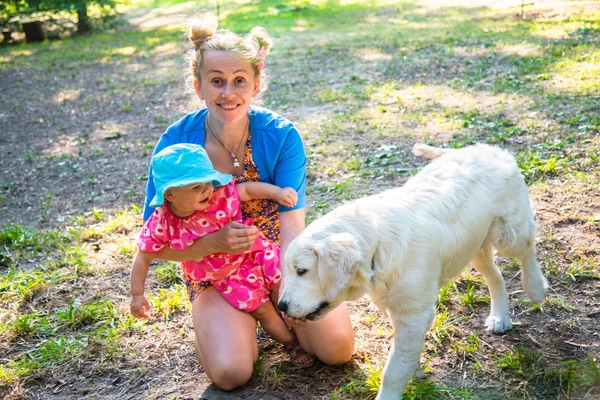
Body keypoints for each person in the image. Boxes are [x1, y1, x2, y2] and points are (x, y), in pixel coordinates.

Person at [139, 15, 355, 391]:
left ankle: (270, 311)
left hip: (274, 255)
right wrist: (211, 244)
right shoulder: (176, 145)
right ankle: (229, 325)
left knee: (337, 350)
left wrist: (293, 286)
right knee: (231, 373)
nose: (228, 92)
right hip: (211, 268)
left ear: (255, 85)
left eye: (240, 80)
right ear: (198, 86)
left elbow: (292, 226)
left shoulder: (281, 135)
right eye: (216, 81)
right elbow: (153, 245)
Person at [130, 143, 315, 366]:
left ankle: (299, 323)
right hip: (228, 276)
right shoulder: (163, 222)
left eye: (208, 182)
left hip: (255, 252)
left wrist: (277, 192)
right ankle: (291, 344)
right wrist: (137, 295)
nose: (208, 189)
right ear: (170, 194)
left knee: (281, 287)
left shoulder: (219, 195)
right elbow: (143, 256)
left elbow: (246, 190)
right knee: (263, 311)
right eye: (196, 187)